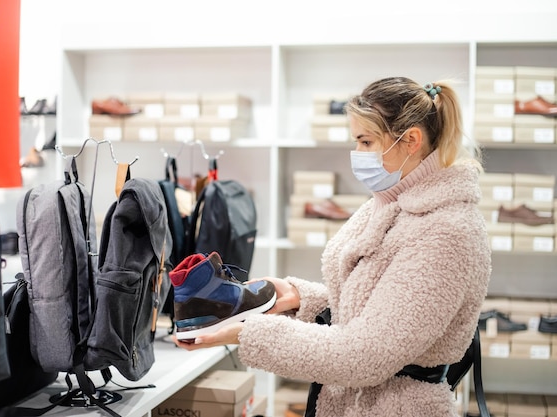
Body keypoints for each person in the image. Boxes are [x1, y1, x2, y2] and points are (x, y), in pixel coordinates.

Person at [175, 76, 492, 416]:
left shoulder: (446, 232)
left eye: (366, 141)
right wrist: (302, 298)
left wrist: (249, 334)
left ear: (411, 140)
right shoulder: (387, 204)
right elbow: (376, 309)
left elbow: (365, 355)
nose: (357, 154)